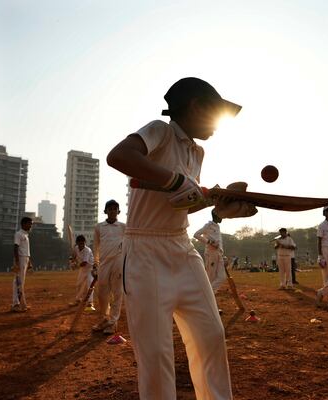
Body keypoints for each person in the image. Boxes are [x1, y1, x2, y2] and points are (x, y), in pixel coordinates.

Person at [106, 77, 255, 399]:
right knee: (156, 354)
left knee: (211, 336)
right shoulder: (161, 131)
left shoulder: (197, 152)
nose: (218, 125)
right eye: (216, 113)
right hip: (144, 251)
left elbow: (182, 206)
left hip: (182, 248)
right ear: (196, 106)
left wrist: (220, 208)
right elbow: (119, 156)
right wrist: (174, 181)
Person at [92, 200, 126, 335]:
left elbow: (130, 244)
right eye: (109, 209)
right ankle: (105, 318)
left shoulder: (123, 227)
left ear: (118, 211)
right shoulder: (99, 227)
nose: (112, 211)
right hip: (104, 263)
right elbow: (96, 247)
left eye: (115, 209)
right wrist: (95, 264)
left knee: (117, 293)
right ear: (105, 211)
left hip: (118, 262)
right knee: (102, 294)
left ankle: (112, 322)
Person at [194, 210, 226, 293]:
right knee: (210, 276)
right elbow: (196, 234)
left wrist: (222, 253)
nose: (222, 217)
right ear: (216, 215)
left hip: (219, 254)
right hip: (211, 254)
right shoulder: (208, 226)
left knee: (222, 277)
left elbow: (219, 241)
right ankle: (208, 293)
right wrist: (209, 242)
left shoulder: (217, 226)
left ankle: (209, 292)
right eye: (220, 215)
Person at [11, 217, 33, 312]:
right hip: (20, 259)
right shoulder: (18, 234)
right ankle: (16, 304)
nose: (30, 225)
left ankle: (22, 304)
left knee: (21, 283)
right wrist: (16, 262)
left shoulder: (26, 235)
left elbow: (26, 250)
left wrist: (29, 262)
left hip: (25, 258)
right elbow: (16, 247)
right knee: (18, 282)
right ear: (23, 224)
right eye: (29, 223)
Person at [68, 235, 95, 309]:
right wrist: (71, 261)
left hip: (90, 269)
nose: (81, 245)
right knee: (79, 284)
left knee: (90, 285)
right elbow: (72, 257)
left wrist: (75, 266)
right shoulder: (76, 248)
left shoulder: (87, 250)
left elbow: (84, 263)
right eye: (80, 244)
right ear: (77, 243)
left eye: (83, 243)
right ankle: (78, 300)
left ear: (85, 243)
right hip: (82, 270)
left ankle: (90, 302)